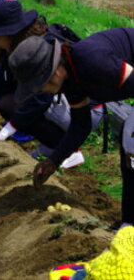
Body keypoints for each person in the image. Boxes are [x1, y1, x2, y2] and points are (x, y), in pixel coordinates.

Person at [0, 0, 103, 161]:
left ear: (9, 33)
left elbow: (42, 97)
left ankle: (68, 148)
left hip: (85, 110)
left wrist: (11, 127)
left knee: (16, 105)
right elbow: (4, 78)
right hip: (61, 103)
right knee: (9, 101)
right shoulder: (17, 46)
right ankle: (53, 143)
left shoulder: (41, 47)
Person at [9, 27, 134, 226]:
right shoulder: (71, 79)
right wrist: (53, 161)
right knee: (131, 158)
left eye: (39, 84)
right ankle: (129, 224)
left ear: (54, 71)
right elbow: (81, 125)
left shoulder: (92, 62)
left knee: (132, 145)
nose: (40, 90)